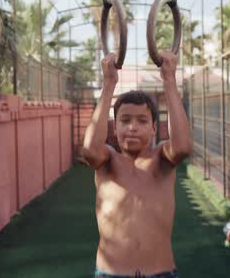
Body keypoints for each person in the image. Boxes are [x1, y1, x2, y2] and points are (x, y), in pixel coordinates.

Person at [82, 51, 193, 278]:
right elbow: (90, 150)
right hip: (110, 274)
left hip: (160, 273)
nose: (132, 127)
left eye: (142, 121)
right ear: (114, 128)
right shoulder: (107, 160)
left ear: (154, 128)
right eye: (125, 120)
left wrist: (169, 80)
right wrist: (109, 83)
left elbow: (182, 147)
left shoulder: (161, 158)